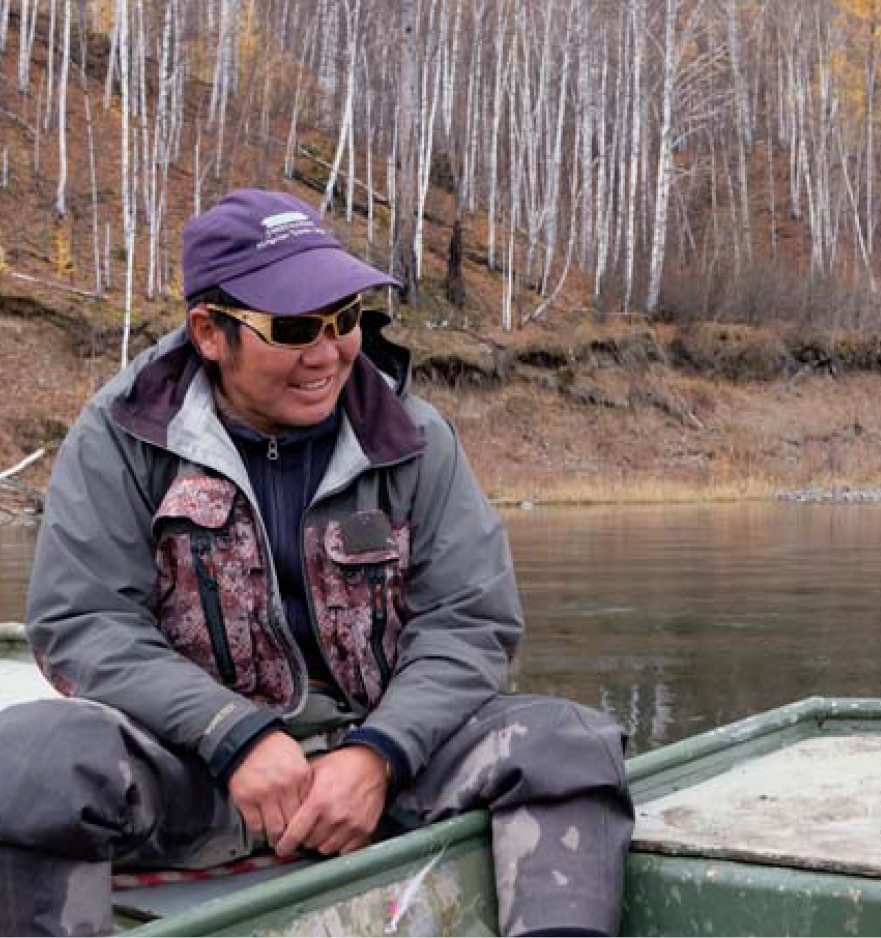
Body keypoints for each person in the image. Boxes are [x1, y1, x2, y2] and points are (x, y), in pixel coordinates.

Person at [0, 189, 633, 937]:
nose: (328, 352)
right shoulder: (120, 438)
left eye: (346, 319)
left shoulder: (414, 438)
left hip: (384, 765)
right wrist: (231, 733)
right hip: (195, 774)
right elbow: (85, 622)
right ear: (209, 332)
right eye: (295, 328)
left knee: (568, 742)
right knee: (33, 755)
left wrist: (380, 754)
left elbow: (470, 622)